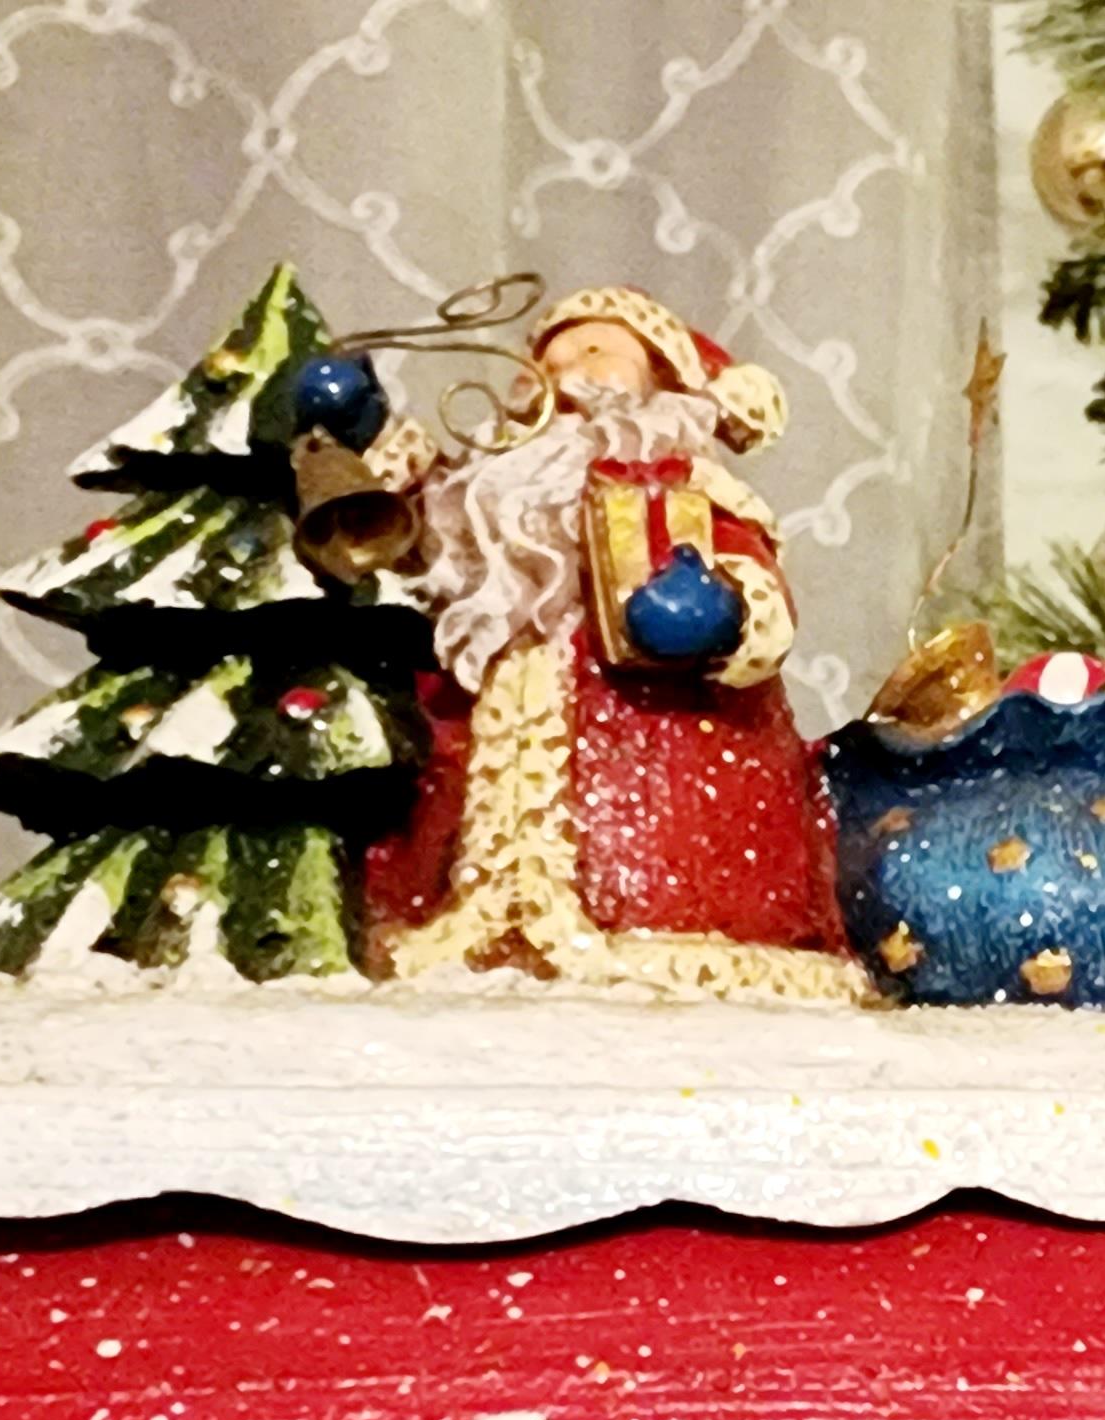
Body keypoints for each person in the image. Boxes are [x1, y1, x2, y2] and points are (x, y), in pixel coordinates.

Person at [367, 286, 861, 999]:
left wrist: (726, 611)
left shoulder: (683, 485)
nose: (569, 370)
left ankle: (648, 915)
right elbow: (418, 550)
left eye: (597, 349)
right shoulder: (487, 491)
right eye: (549, 360)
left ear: (661, 376)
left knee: (682, 877)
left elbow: (757, 583)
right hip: (489, 716)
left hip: (665, 744)